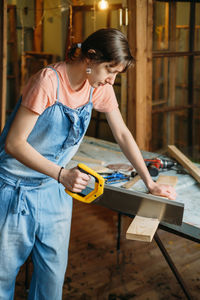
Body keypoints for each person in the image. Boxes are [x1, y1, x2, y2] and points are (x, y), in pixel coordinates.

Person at [0, 28, 176, 300]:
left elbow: (122, 134)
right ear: (90, 59)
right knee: (3, 276)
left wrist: (150, 182)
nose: (111, 80)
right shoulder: (48, 82)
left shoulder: (97, 88)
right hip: (14, 192)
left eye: (117, 74)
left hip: (54, 193)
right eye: (110, 70)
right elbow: (14, 143)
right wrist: (62, 174)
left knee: (51, 280)